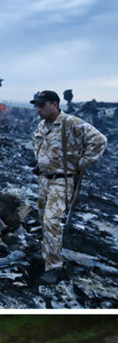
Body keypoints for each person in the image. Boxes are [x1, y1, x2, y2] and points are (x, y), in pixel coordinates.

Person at [30, 89, 107, 284]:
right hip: (44, 180)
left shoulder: (71, 123)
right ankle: (48, 253)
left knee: (52, 221)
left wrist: (81, 163)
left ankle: (55, 267)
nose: (38, 109)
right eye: (36, 105)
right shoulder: (42, 125)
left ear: (54, 105)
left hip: (61, 181)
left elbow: (99, 141)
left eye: (41, 105)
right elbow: (39, 145)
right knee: (43, 219)